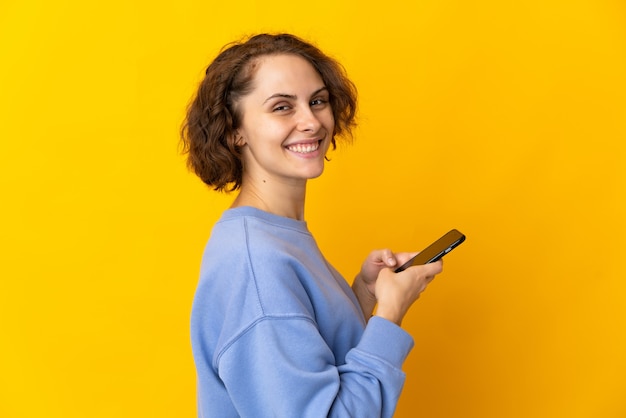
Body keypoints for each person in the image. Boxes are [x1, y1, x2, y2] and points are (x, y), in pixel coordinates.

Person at [181, 33, 443, 418]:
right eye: (282, 107)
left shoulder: (276, 236)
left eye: (317, 101)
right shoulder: (257, 261)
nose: (311, 121)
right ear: (235, 130)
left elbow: (308, 364)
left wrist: (363, 295)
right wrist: (389, 314)